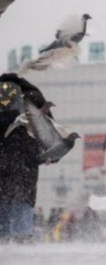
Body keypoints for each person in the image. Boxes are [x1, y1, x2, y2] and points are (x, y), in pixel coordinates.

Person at [0, 73, 52, 243]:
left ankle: (5, 240)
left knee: (3, 203)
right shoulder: (33, 96)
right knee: (23, 200)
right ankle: (22, 240)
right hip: (26, 158)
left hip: (3, 157)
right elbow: (48, 129)